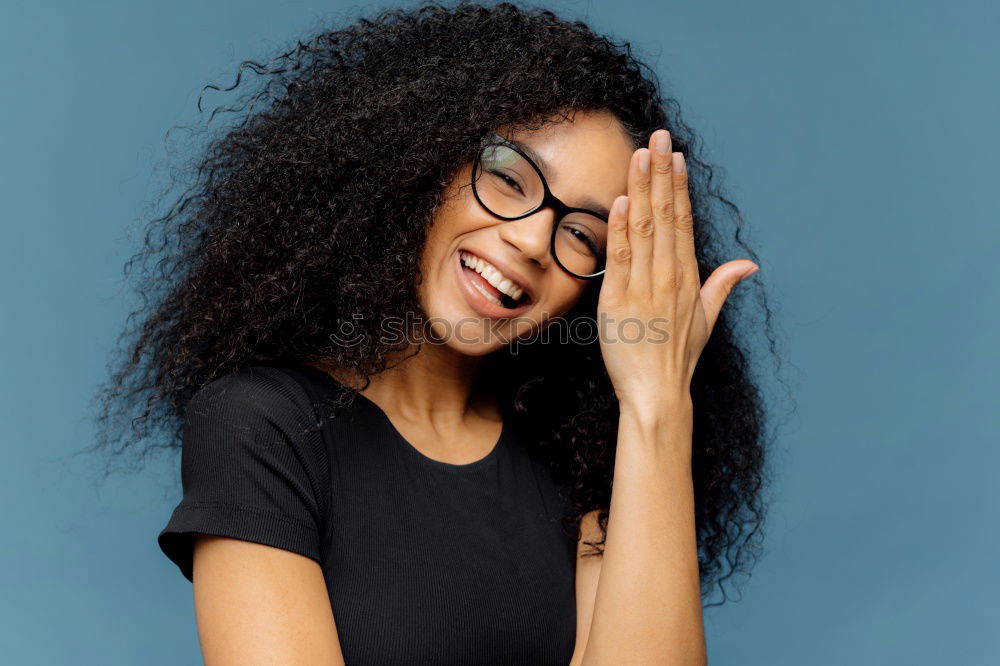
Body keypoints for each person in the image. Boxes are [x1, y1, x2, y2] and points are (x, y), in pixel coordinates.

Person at [91, 2, 778, 663]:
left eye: (581, 234)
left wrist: (657, 402)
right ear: (420, 163)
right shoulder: (261, 427)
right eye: (510, 178)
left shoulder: (583, 463)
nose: (535, 240)